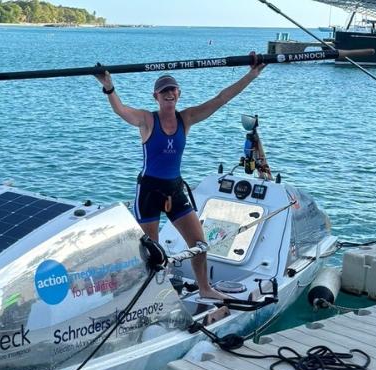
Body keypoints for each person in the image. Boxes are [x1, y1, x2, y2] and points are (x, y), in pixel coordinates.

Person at [95, 61, 265, 300]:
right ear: (156, 96)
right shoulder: (147, 119)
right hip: (149, 191)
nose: (169, 94)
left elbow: (220, 99)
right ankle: (146, 295)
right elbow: (121, 110)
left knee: (200, 244)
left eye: (172, 90)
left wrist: (252, 75)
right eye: (164, 91)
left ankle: (205, 288)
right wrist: (109, 87)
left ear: (178, 94)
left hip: (174, 189)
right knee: (150, 251)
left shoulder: (187, 118)